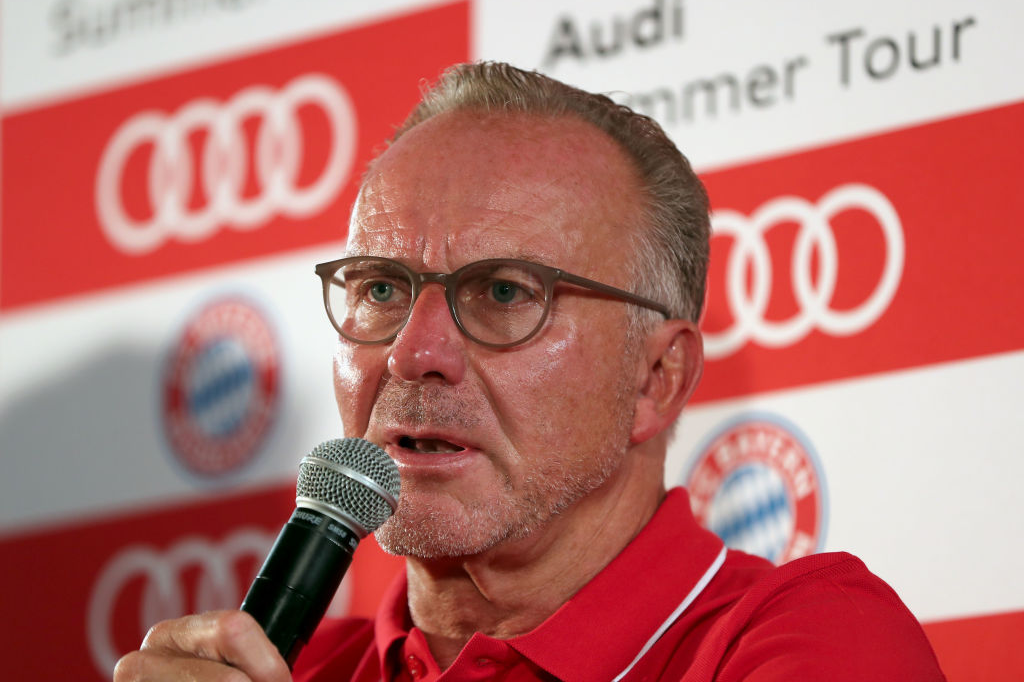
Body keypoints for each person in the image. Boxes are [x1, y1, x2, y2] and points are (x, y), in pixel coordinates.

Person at [114, 61, 945, 681]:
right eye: (379, 287)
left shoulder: (807, 643)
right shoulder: (299, 666)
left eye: (505, 292)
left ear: (656, 377)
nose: (412, 352)